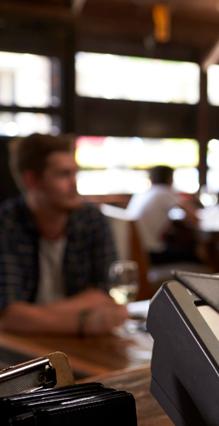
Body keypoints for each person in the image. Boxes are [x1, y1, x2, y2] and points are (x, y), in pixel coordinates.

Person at [0, 134, 128, 335]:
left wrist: (29, 316)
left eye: (74, 174)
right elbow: (7, 316)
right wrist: (84, 322)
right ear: (32, 180)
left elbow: (107, 294)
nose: (74, 184)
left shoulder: (92, 220)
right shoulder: (6, 225)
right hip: (19, 351)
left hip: (76, 346)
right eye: (63, 174)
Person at [125, 165, 200, 265]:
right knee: (196, 257)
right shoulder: (164, 192)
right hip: (151, 252)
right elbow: (194, 217)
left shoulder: (143, 193)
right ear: (170, 179)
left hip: (136, 250)